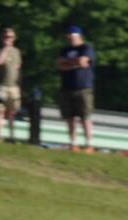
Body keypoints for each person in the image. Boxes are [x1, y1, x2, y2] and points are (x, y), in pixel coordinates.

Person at [56, 25, 95, 153]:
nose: (69, 38)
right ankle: (73, 143)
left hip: (83, 87)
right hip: (67, 87)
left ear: (78, 35)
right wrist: (75, 62)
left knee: (85, 116)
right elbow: (59, 65)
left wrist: (68, 62)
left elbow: (84, 61)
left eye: (71, 35)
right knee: (70, 117)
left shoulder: (86, 48)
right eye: (68, 36)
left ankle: (89, 144)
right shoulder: (64, 49)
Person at [0, 28, 22, 142]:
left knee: (12, 112)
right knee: (0, 110)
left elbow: (18, 67)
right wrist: (6, 49)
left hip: (13, 87)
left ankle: (12, 136)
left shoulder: (16, 51)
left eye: (10, 37)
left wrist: (19, 84)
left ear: (14, 39)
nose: (8, 39)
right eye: (6, 37)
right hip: (0, 86)